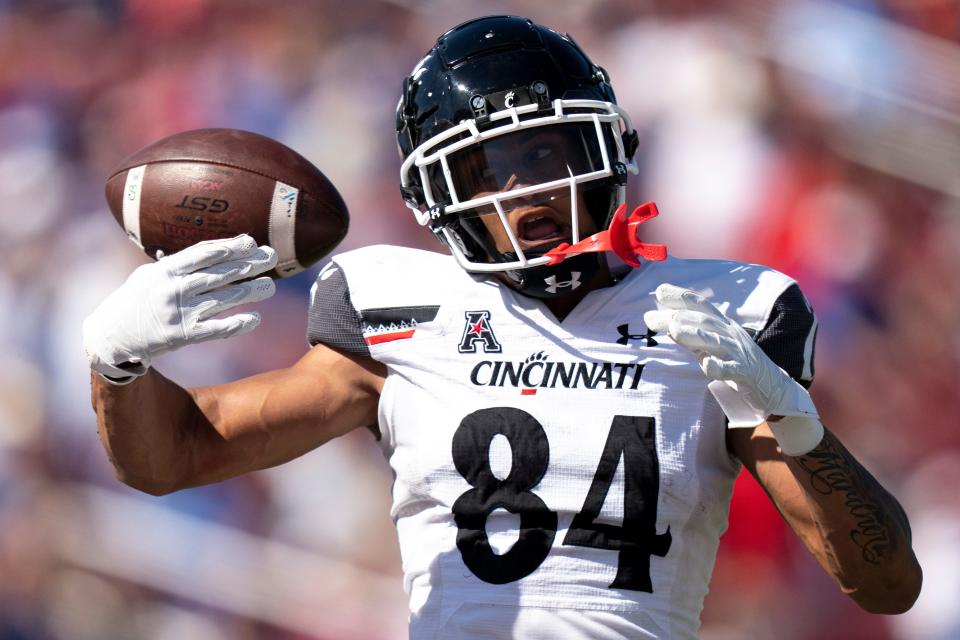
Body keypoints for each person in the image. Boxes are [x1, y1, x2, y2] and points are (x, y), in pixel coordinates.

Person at [83, 15, 922, 639]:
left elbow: (885, 583)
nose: (527, 192)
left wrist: (796, 428)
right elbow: (180, 455)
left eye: (548, 153)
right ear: (431, 196)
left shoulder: (716, 315)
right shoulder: (397, 307)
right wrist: (117, 360)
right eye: (489, 168)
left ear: (609, 149)